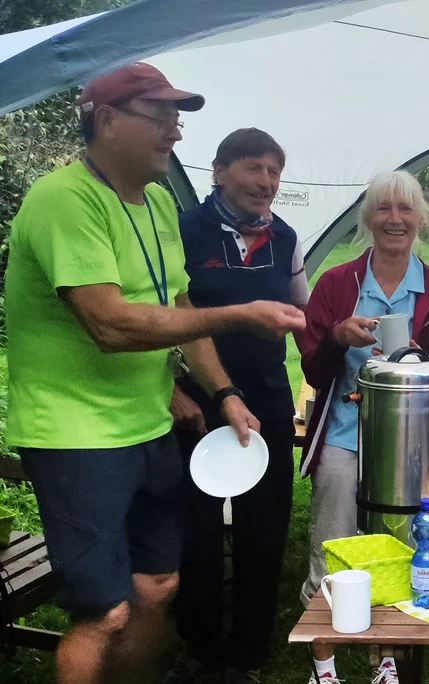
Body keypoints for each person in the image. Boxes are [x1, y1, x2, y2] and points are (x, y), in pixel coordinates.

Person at [5, 63, 305, 684]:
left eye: (178, 119)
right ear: (107, 120)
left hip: (147, 427)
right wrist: (243, 311)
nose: (175, 133)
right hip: (77, 437)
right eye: (161, 117)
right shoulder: (64, 198)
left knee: (157, 586)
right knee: (104, 612)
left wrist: (222, 392)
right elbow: (110, 324)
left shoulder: (160, 202)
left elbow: (179, 308)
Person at [297, 169, 429, 684]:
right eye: (384, 209)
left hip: (413, 442)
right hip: (348, 433)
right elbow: (312, 369)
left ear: (421, 218)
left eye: (406, 209)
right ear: (367, 219)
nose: (395, 220)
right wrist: (336, 339)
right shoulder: (336, 283)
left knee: (405, 544)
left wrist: (416, 363)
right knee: (334, 538)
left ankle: (388, 652)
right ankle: (323, 658)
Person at [166, 128, 310, 684]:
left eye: (274, 172)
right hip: (198, 405)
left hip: (268, 403)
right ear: (220, 170)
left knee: (264, 530)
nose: (267, 182)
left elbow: (303, 319)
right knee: (195, 532)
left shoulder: (286, 237)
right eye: (254, 168)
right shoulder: (182, 232)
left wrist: (330, 351)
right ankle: (199, 649)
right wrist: (171, 391)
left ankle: (248, 656)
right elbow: (158, 316)